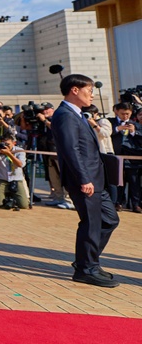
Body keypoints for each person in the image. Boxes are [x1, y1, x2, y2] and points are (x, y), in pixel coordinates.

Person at [52, 73, 120, 288]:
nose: (92, 95)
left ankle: (86, 262)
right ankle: (86, 269)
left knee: (109, 220)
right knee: (91, 224)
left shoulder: (78, 115)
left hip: (96, 180)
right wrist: (84, 179)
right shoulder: (64, 115)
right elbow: (70, 150)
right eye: (89, 90)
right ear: (75, 90)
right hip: (85, 181)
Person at [0, 134, 29, 209]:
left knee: (24, 205)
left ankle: (12, 197)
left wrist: (9, 153)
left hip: (15, 179)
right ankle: (5, 195)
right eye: (3, 144)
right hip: (0, 179)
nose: (5, 146)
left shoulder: (19, 151)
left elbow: (20, 164)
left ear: (14, 143)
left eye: (8, 144)